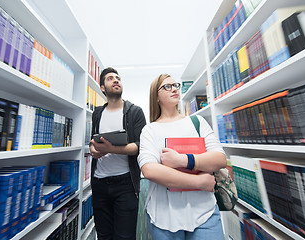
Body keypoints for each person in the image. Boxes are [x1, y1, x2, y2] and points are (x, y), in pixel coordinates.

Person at [137, 74, 227, 240]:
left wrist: (182, 160)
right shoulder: (150, 130)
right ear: (156, 97)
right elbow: (150, 170)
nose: (174, 89)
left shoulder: (197, 121)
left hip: (204, 212)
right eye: (167, 86)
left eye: (175, 85)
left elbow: (220, 159)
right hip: (163, 215)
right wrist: (199, 182)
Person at [90, 67, 146, 240]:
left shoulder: (135, 112)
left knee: (124, 237)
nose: (116, 80)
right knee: (104, 235)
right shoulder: (97, 113)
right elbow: (93, 141)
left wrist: (110, 149)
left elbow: (139, 146)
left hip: (125, 185)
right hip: (99, 184)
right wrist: (93, 149)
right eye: (110, 78)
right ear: (102, 87)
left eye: (118, 78)